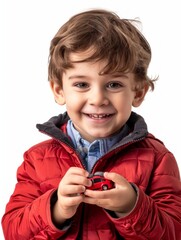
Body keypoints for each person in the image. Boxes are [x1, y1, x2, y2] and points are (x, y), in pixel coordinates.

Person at [2, 9, 181, 240]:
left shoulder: (158, 159)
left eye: (114, 84)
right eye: (82, 84)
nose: (97, 99)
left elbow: (174, 232)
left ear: (138, 92)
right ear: (59, 90)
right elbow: (13, 231)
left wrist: (132, 206)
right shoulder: (36, 160)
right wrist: (56, 208)